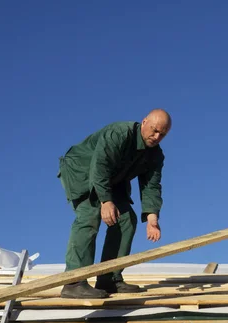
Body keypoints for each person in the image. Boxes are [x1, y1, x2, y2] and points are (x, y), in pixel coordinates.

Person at [57, 109, 172, 298]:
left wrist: (152, 218)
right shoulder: (119, 133)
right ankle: (74, 282)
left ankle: (109, 278)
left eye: (163, 134)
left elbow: (151, 186)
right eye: (154, 130)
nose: (157, 136)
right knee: (90, 215)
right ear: (144, 122)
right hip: (82, 172)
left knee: (127, 219)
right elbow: (99, 166)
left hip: (112, 180)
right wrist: (106, 200)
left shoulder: (155, 155)